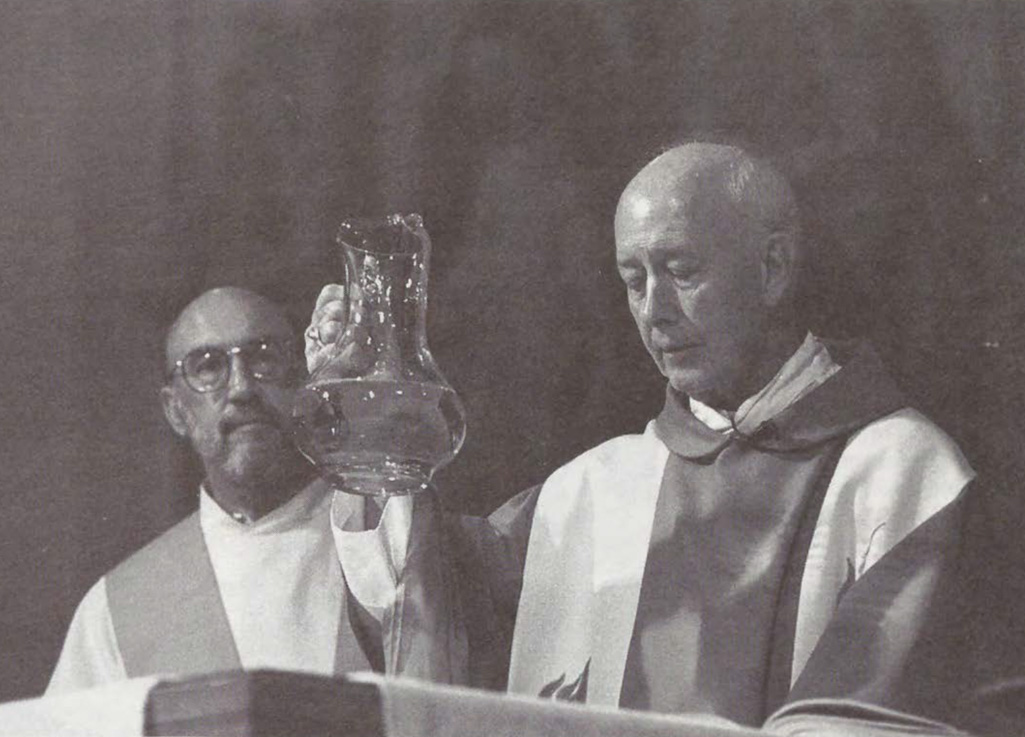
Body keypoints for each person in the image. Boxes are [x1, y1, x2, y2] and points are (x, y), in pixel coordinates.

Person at [307, 142, 976, 726]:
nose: (654, 310)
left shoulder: (902, 473)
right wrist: (369, 432)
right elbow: (425, 617)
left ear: (771, 269)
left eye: (681, 271)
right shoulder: (590, 492)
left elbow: (881, 717)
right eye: (634, 280)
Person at [47, 287, 393, 693]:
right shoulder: (115, 609)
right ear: (176, 410)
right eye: (207, 367)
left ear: (303, 379)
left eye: (264, 357)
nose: (242, 387)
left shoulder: (386, 543)